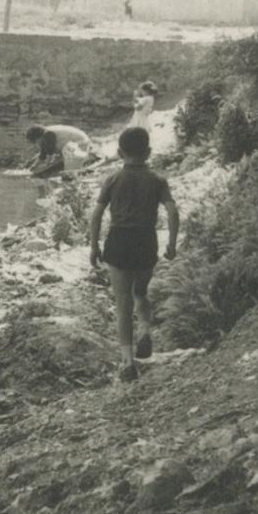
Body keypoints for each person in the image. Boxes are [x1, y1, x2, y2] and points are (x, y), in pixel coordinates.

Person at [89, 127, 180, 382]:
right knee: (140, 291)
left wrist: (94, 246)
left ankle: (128, 363)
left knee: (122, 305)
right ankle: (145, 330)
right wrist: (172, 243)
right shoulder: (157, 180)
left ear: (119, 153)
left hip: (118, 241)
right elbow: (172, 212)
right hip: (145, 240)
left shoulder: (113, 179)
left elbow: (96, 215)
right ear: (148, 152)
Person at [25, 124, 94, 178]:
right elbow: (43, 154)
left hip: (81, 142)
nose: (36, 143)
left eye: (36, 141)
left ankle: (71, 174)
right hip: (73, 143)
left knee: (67, 152)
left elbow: (50, 154)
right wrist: (33, 166)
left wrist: (45, 166)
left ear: (38, 136)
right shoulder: (45, 135)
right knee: (63, 153)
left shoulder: (49, 134)